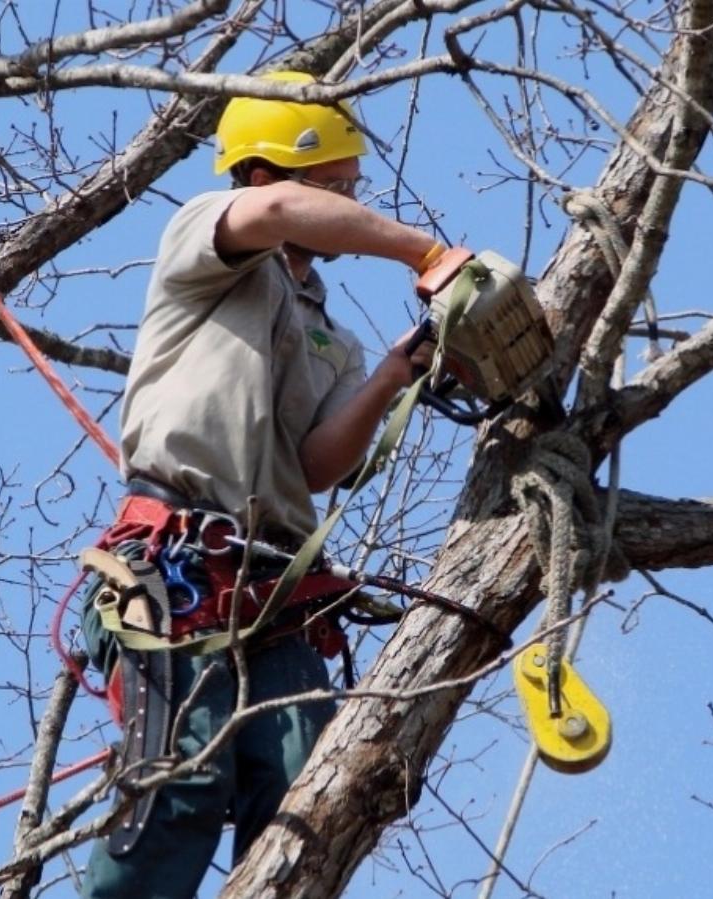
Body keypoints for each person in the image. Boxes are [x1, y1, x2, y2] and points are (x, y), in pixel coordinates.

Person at [79, 71, 456, 899]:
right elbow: (278, 217)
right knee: (176, 790)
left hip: (276, 593)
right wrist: (424, 252)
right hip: (173, 565)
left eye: (353, 192)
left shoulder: (331, 337)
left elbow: (320, 464)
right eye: (335, 190)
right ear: (260, 174)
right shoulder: (203, 246)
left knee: (306, 797)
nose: (351, 207)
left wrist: (396, 372)